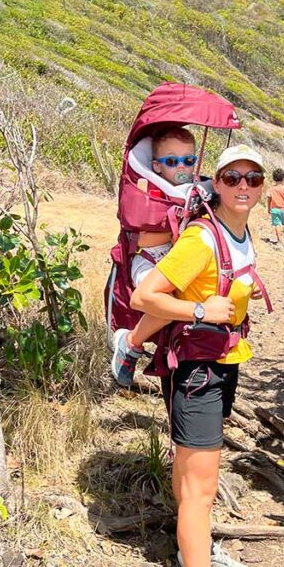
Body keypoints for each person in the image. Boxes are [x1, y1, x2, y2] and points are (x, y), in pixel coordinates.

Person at [130, 143, 267, 567]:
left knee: (193, 475)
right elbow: (145, 296)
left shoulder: (240, 227)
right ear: (217, 182)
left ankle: (197, 552)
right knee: (200, 490)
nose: (244, 187)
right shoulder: (202, 238)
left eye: (254, 178)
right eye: (233, 178)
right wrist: (197, 313)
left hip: (221, 364)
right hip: (196, 371)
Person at [111, 126, 197, 387]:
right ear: (157, 166)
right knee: (166, 304)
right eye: (172, 161)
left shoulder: (195, 192)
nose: (181, 167)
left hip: (176, 262)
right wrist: (177, 232)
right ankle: (131, 343)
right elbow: (140, 239)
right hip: (147, 260)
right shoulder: (145, 194)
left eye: (188, 160)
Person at [267, 167, 284, 245]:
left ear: (274, 178)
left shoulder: (271, 189)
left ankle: (279, 240)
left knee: (277, 225)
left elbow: (269, 199)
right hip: (283, 209)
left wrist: (268, 208)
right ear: (283, 178)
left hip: (274, 210)